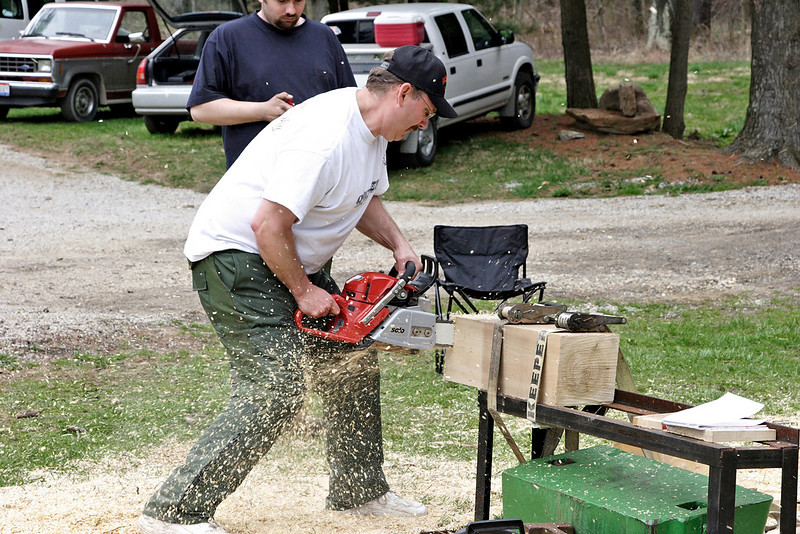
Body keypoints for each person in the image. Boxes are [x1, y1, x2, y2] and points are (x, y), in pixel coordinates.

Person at [136, 45, 458, 534]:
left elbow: (361, 197)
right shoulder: (325, 137)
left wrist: (398, 244)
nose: (423, 125)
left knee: (351, 362)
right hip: (237, 260)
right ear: (404, 93)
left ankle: (359, 491)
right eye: (426, 112)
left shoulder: (371, 133)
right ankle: (173, 513)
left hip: (287, 257)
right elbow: (267, 225)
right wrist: (305, 291)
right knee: (277, 388)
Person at [187, 0, 356, 168]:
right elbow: (201, 109)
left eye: (298, 1)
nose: (291, 10)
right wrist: (263, 111)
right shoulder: (228, 37)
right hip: (255, 175)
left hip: (319, 173)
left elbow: (350, 106)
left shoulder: (324, 36)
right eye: (281, 1)